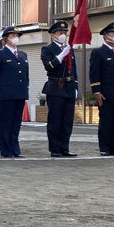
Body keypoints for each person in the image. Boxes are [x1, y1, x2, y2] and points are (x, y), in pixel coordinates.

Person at [90, 22, 114, 156]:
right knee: (106, 121)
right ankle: (105, 147)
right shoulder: (99, 52)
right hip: (106, 94)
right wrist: (97, 91)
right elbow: (94, 73)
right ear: (106, 37)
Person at [0, 26, 29, 158]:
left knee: (16, 123)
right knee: (6, 123)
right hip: (6, 94)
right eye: (12, 36)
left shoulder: (23, 55)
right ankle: (6, 150)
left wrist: (25, 89)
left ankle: (15, 149)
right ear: (6, 39)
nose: (16, 38)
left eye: (17, 36)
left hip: (19, 93)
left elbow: (25, 75)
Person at [41, 21, 78, 157]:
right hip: (56, 87)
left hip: (69, 87)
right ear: (53, 35)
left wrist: (76, 86)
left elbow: (74, 69)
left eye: (64, 33)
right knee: (55, 120)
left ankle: (64, 147)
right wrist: (62, 55)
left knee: (67, 120)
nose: (63, 35)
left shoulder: (69, 48)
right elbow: (49, 66)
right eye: (60, 33)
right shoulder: (47, 49)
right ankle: (55, 148)